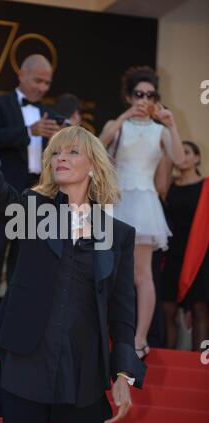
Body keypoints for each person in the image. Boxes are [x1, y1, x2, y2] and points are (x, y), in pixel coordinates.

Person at [0, 62, 146, 423]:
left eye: (72, 152)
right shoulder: (32, 210)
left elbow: (122, 313)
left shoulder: (118, 235)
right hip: (25, 368)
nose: (60, 156)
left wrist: (124, 375)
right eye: (56, 151)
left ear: (93, 168)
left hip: (84, 376)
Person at [0, 54, 60, 333]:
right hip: (2, 191)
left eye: (47, 82)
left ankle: (14, 323)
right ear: (22, 74)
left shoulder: (49, 115)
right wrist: (28, 132)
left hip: (38, 197)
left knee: (24, 262)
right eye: (38, 80)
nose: (42, 87)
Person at [99, 66, 185, 359]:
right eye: (139, 94)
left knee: (142, 275)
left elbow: (180, 159)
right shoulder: (117, 124)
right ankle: (102, 333)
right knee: (105, 269)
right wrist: (124, 116)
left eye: (150, 94)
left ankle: (139, 338)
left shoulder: (161, 130)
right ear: (128, 95)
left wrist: (172, 124)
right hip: (117, 201)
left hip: (145, 202)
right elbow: (97, 147)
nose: (144, 99)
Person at [161, 141, 209, 351]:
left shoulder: (206, 186)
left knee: (200, 309)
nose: (183, 156)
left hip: (200, 255)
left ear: (197, 158)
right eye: (179, 152)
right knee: (166, 308)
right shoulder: (168, 185)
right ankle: (167, 358)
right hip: (171, 253)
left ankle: (199, 364)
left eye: (188, 152)